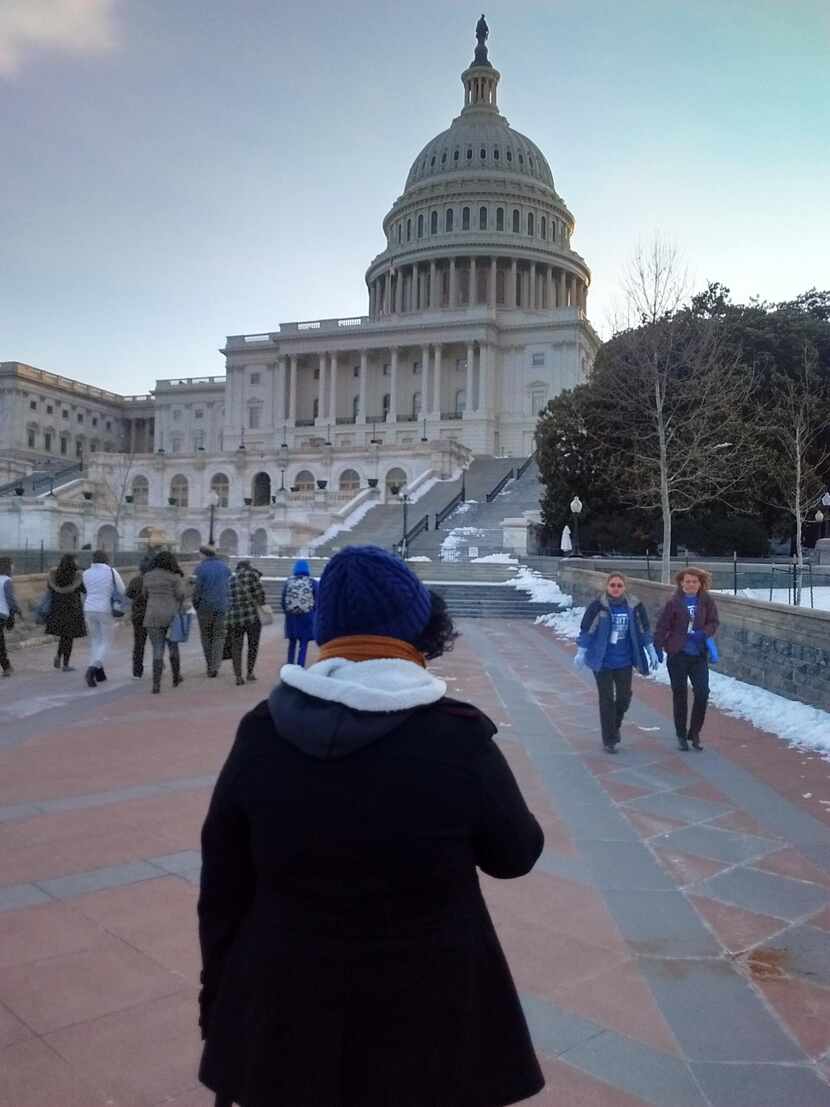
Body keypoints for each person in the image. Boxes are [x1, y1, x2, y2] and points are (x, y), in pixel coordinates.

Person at [197, 545, 545, 1107]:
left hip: (284, 1012)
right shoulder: (455, 737)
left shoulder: (262, 731)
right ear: (415, 630)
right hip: (431, 1017)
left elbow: (223, 887)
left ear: (327, 631)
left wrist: (221, 1000)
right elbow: (516, 854)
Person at [575, 572, 658, 753]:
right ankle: (609, 740)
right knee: (606, 700)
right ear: (607, 586)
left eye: (619, 585)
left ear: (625, 587)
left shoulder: (634, 606)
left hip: (624, 660)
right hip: (602, 661)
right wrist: (581, 651)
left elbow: (644, 628)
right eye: (612, 585)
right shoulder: (598, 606)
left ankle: (614, 727)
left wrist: (650, 649)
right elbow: (587, 629)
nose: (616, 588)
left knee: (623, 698)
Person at [654, 566, 720, 751]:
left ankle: (695, 732)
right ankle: (681, 734)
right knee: (680, 694)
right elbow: (662, 626)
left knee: (702, 692)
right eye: (687, 581)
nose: (691, 584)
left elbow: (714, 622)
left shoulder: (706, 600)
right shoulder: (673, 602)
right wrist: (658, 647)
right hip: (678, 654)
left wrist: (704, 633)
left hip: (698, 655)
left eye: (694, 581)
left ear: (700, 583)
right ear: (681, 583)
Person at [142, 550, 187, 694]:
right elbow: (180, 595)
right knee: (173, 647)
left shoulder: (147, 576)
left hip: (152, 616)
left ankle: (156, 685)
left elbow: (144, 594)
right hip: (170, 616)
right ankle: (176, 677)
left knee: (157, 649)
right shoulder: (174, 577)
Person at [82, 550, 126, 688]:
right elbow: (122, 590)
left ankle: (99, 673)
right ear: (106, 559)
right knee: (106, 641)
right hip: (105, 608)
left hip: (89, 607)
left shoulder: (86, 573)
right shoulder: (111, 572)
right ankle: (92, 669)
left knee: (96, 640)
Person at [225, 560, 266, 686]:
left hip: (234, 618)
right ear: (249, 567)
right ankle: (249, 672)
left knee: (236, 647)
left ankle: (238, 676)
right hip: (251, 617)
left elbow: (226, 599)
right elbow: (261, 596)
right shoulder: (252, 576)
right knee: (253, 645)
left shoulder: (230, 580)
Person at [193, 545, 231, 677]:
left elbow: (197, 590)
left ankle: (209, 665)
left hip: (205, 606)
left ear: (204, 555)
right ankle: (216, 665)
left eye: (200, 554)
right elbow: (228, 585)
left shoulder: (201, 568)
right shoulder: (225, 567)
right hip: (221, 605)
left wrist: (196, 604)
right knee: (219, 636)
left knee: (206, 636)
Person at [45, 554, 86, 671]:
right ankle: (66, 664)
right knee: (69, 637)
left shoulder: (54, 574)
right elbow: (84, 589)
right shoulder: (77, 575)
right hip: (72, 608)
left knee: (64, 635)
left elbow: (50, 588)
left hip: (57, 609)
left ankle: (58, 655)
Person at [125, 551, 157, 680]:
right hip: (153, 614)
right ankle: (158, 665)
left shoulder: (135, 580)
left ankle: (137, 671)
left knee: (138, 644)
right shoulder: (155, 581)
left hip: (138, 615)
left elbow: (128, 594)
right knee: (156, 642)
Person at [280, 558, 316, 668]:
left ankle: (290, 664)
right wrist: (313, 613)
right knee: (303, 643)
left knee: (292, 642)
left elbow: (283, 599)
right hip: (306, 616)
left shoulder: (289, 582)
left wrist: (287, 612)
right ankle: (300, 665)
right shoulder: (312, 582)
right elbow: (318, 599)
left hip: (292, 616)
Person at [0, 556, 22, 677]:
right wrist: (17, 611)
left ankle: (6, 666)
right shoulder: (7, 581)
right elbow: (10, 600)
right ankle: (6, 667)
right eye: (12, 564)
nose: (14, 567)